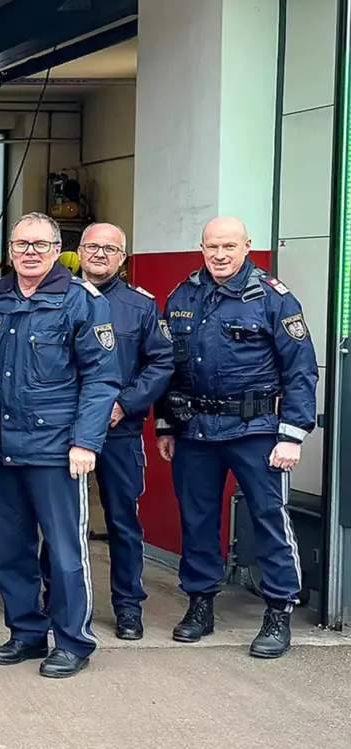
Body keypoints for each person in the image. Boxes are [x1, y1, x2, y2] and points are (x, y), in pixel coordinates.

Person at [0, 213, 120, 680]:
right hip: (2, 446)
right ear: (10, 250)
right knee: (10, 549)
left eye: (39, 244)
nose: (29, 252)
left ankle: (74, 641)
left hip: (57, 451)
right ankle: (26, 633)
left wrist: (86, 441)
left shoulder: (80, 302)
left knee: (65, 551)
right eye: (21, 244)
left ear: (56, 250)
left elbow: (101, 377)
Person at [156, 216, 317, 658]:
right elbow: (168, 366)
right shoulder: (183, 295)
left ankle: (279, 610)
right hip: (196, 431)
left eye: (229, 246)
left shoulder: (273, 298)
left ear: (247, 246)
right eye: (212, 247)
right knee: (197, 519)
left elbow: (300, 370)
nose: (220, 255)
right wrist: (167, 423)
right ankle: (200, 604)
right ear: (201, 248)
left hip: (257, 431)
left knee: (269, 518)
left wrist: (293, 435)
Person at [70, 223, 173, 640]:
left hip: (119, 431)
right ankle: (55, 596)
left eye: (110, 249)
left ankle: (128, 606)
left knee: (123, 523)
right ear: (78, 250)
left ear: (122, 258)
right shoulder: (58, 296)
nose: (100, 254)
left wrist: (123, 404)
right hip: (65, 430)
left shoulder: (140, 306)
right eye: (92, 246)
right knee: (62, 521)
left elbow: (162, 363)